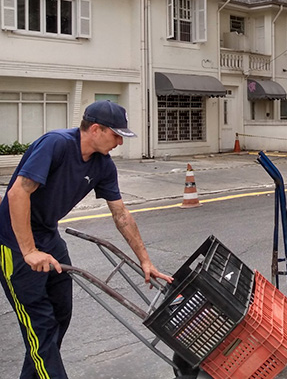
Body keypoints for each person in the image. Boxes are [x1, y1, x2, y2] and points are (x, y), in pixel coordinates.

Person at [0, 100, 173, 379]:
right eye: (116, 135)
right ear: (96, 129)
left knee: (60, 315)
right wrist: (29, 251)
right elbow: (18, 193)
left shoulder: (103, 165)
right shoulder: (54, 144)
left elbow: (121, 215)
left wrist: (145, 261)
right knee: (40, 326)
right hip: (14, 241)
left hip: (48, 236)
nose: (120, 142)